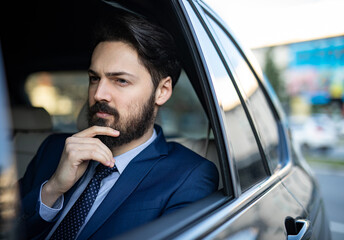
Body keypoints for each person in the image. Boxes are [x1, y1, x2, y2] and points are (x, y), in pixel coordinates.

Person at [19, 10, 219, 240]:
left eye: (120, 81)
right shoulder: (54, 149)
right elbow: (0, 230)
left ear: (162, 91)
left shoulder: (188, 176)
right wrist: (52, 189)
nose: (99, 94)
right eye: (94, 78)